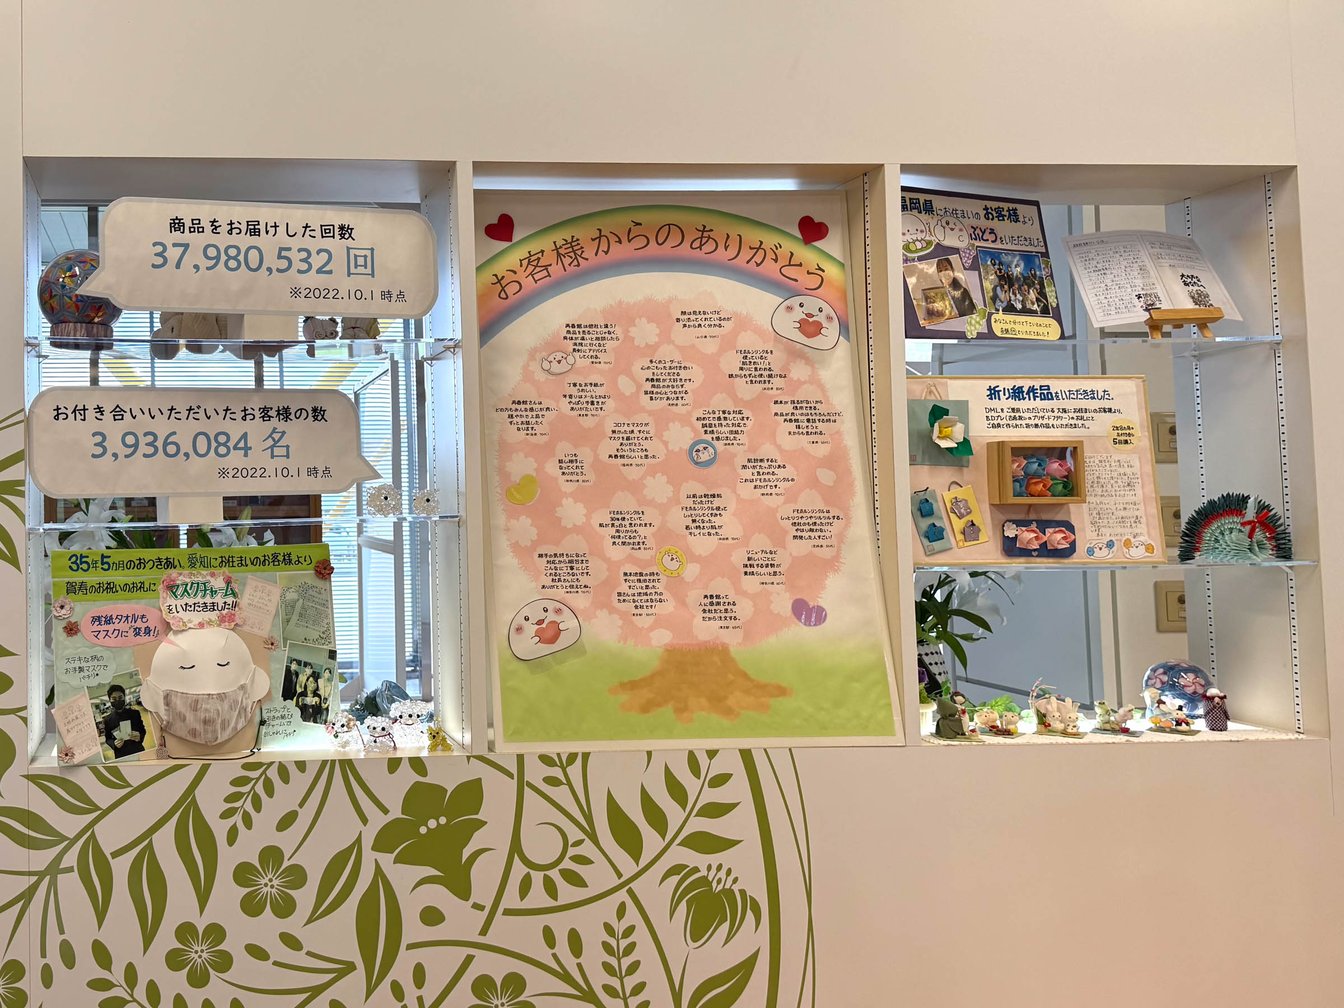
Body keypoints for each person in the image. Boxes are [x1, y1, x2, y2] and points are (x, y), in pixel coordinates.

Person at [103, 684, 146, 757]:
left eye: (120, 697)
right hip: (121, 754)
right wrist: (114, 744)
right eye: (114, 699)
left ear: (124, 697)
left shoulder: (135, 713)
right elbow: (108, 739)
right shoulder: (107, 720)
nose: (117, 701)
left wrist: (140, 736)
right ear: (110, 700)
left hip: (137, 749)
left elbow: (142, 730)